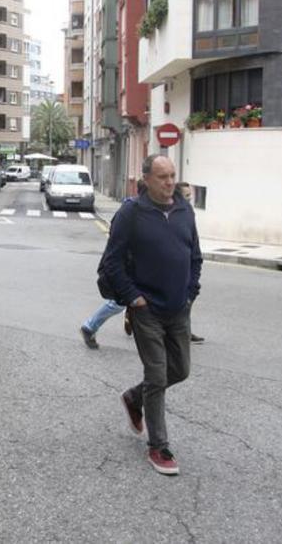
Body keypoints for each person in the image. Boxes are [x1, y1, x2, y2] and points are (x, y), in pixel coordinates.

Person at [99, 154, 202, 475]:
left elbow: (195, 255)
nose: (170, 182)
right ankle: (159, 446)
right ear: (146, 179)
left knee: (181, 370)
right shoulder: (132, 213)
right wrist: (134, 298)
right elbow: (112, 262)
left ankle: (133, 398)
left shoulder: (184, 210)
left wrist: (190, 292)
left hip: (178, 307)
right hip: (147, 310)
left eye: (172, 175)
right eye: (162, 177)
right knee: (157, 375)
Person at [80, 182, 203, 349]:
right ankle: (90, 326)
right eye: (186, 197)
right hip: (134, 268)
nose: (188, 201)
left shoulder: (176, 212)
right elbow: (117, 243)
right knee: (118, 302)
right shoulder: (131, 210)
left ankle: (179, 332)